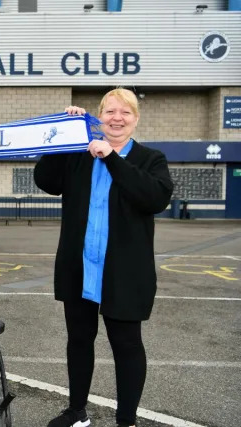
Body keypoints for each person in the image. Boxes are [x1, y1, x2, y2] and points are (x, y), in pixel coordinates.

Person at [34, 88, 174, 427]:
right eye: (110, 111)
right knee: (79, 340)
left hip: (123, 272)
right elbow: (45, 181)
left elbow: (153, 197)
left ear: (135, 119)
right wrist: (64, 138)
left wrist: (111, 156)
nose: (117, 118)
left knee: (126, 345)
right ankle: (77, 411)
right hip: (80, 266)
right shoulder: (78, 154)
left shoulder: (149, 158)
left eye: (125, 113)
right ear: (99, 116)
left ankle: (126, 420)